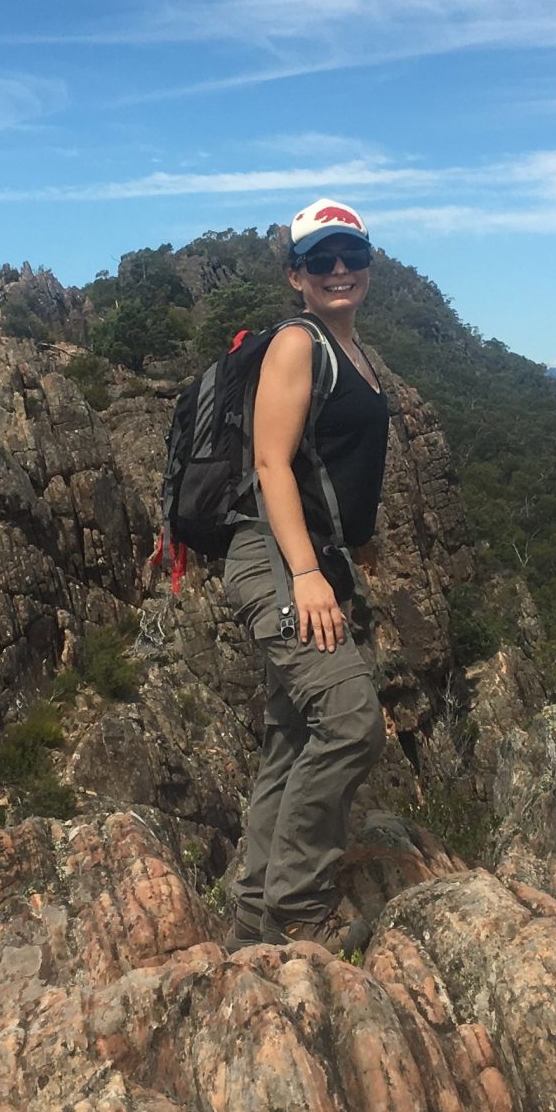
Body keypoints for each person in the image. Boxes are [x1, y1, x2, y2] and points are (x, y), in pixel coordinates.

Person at [221, 201, 391, 949]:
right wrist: (305, 575)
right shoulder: (298, 342)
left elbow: (341, 470)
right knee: (351, 720)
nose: (339, 270)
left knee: (292, 740)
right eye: (320, 260)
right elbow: (270, 462)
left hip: (315, 563)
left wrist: (350, 555)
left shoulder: (353, 351)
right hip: (275, 559)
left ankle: (253, 923)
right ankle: (298, 911)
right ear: (297, 276)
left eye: (350, 255)